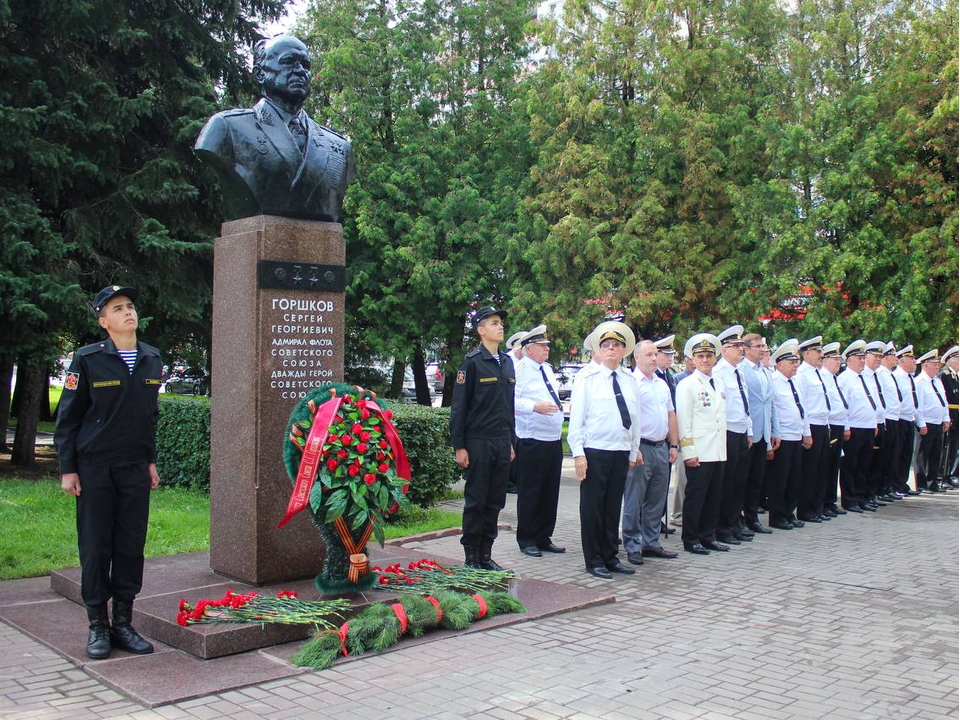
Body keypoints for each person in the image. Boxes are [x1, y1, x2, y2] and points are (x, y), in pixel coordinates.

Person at [54, 285, 163, 660]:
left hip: (134, 467)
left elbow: (149, 418)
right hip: (95, 466)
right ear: (104, 321)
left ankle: (123, 624)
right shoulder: (87, 359)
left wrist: (149, 462)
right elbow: (67, 418)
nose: (128, 312)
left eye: (130, 306)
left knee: (131, 545)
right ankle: (98, 626)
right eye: (118, 309)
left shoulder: (151, 359)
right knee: (97, 546)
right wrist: (68, 468)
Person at [195, 35, 356, 221]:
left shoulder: (339, 146)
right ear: (260, 73)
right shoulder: (227, 127)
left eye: (306, 65)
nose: (300, 71)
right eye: (288, 62)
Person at [568, 321, 640, 578]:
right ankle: (594, 559)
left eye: (616, 345)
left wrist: (633, 450)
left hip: (620, 451)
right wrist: (578, 452)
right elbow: (577, 418)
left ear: (624, 351)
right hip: (595, 451)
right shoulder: (586, 379)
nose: (611, 348)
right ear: (599, 350)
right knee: (593, 508)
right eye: (606, 345)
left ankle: (611, 556)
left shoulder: (629, 380)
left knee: (612, 507)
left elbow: (635, 419)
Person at [449, 306, 516, 570]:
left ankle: (486, 555)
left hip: (501, 442)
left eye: (501, 323)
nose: (500, 327)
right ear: (481, 330)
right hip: (478, 441)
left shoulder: (507, 362)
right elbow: (459, 407)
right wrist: (460, 445)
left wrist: (510, 441)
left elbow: (508, 407)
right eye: (494, 323)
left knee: (495, 500)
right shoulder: (472, 362)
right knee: (476, 500)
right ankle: (470, 557)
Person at [621, 340, 679, 565]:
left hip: (660, 448)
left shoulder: (661, 384)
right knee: (635, 500)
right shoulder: (631, 383)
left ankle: (651, 542)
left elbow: (670, 415)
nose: (654, 358)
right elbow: (628, 419)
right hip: (641, 448)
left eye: (656, 354)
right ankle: (633, 544)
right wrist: (633, 449)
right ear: (637, 358)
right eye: (649, 354)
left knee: (656, 499)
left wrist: (673, 445)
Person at [513, 325, 566, 557]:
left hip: (552, 439)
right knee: (531, 491)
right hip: (532, 439)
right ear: (529, 349)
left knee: (549, 490)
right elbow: (509, 401)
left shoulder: (547, 369)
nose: (546, 349)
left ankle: (544, 536)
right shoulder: (520, 369)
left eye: (546, 345)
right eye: (542, 346)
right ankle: (527, 538)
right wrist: (534, 407)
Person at [675, 333, 727, 555]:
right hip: (698, 450)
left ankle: (708, 535)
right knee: (696, 497)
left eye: (709, 356)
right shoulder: (687, 385)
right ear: (692, 359)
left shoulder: (720, 382)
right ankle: (691, 538)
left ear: (715, 358)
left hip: (717, 448)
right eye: (700, 356)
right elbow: (684, 421)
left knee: (714, 496)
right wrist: (689, 451)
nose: (705, 360)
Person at [713, 325, 754, 544]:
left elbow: (744, 404)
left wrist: (749, 431)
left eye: (741, 346)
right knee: (727, 483)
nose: (740, 350)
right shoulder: (719, 372)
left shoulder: (739, 372)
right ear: (724, 349)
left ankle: (735, 523)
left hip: (740, 432)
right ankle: (723, 527)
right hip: (727, 432)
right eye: (736, 346)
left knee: (739, 482)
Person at [767, 339, 812, 530]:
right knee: (780, 480)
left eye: (796, 362)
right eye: (791, 362)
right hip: (783, 437)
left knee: (794, 479)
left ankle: (789, 512)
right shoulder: (774, 382)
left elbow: (803, 409)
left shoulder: (795, 382)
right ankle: (778, 516)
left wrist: (807, 433)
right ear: (779, 364)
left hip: (796, 436)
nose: (796, 366)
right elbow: (772, 411)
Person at [837, 340, 882, 512]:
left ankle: (861, 497)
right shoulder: (845, 379)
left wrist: (875, 422)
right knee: (850, 465)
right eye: (859, 358)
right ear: (849, 360)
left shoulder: (866, 378)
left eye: (863, 358)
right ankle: (849, 499)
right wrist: (846, 427)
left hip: (868, 427)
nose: (863, 361)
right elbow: (844, 405)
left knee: (864, 464)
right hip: (854, 428)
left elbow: (871, 402)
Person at [741, 333, 778, 534]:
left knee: (756, 479)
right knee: (743, 479)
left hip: (763, 431)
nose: (762, 349)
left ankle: (752, 517)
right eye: (757, 346)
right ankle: (739, 518)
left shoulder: (765, 371)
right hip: (748, 433)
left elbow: (771, 404)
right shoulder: (742, 370)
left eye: (763, 346)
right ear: (746, 349)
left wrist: (774, 431)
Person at [795, 336, 831, 522]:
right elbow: (803, 406)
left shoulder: (818, 373)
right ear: (807, 353)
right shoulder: (801, 374)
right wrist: (806, 432)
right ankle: (806, 510)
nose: (821, 355)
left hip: (823, 425)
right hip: (812, 427)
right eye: (818, 352)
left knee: (821, 469)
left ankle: (818, 507)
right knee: (809, 471)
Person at [914, 349, 951, 492]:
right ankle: (922, 484)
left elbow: (944, 402)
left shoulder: (937, 381)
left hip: (938, 422)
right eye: (934, 364)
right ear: (925, 365)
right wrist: (921, 424)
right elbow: (919, 406)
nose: (937, 367)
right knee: (923, 455)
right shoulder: (919, 382)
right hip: (926, 423)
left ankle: (932, 482)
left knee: (936, 455)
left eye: (937, 365)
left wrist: (946, 419)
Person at [820, 342, 850, 515]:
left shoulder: (833, 378)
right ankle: (824, 502)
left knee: (833, 467)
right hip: (830, 425)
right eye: (835, 359)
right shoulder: (823, 377)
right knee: (827, 466)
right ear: (825, 361)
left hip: (838, 425)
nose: (838, 362)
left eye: (839, 359)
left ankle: (830, 501)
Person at [862, 341, 891, 507]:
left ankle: (872, 494)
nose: (878, 359)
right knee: (867, 463)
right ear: (866, 357)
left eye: (881, 356)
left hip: (879, 422)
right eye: (875, 356)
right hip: (865, 424)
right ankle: (865, 495)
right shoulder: (863, 375)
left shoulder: (877, 375)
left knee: (878, 461)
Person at [876, 342, 906, 500]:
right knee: (885, 455)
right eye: (894, 355)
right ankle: (881, 488)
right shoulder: (880, 373)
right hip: (887, 418)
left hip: (895, 418)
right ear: (886, 357)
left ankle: (887, 487)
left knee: (893, 455)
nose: (896, 358)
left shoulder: (889, 374)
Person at [893, 346, 924, 495]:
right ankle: (895, 484)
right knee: (897, 453)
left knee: (906, 454)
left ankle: (902, 483)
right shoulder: (897, 376)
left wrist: (919, 422)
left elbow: (914, 402)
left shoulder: (910, 378)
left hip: (909, 419)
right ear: (902, 361)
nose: (915, 363)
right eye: (912, 360)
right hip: (899, 419)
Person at [669, 353, 696, 526]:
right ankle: (677, 514)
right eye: (693, 359)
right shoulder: (679, 379)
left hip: (699, 434)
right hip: (682, 434)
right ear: (686, 361)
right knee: (682, 477)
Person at [504, 329, 527, 495]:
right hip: (510, 414)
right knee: (511, 449)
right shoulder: (507, 361)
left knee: (518, 451)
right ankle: (509, 482)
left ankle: (516, 480)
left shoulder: (522, 362)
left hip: (521, 417)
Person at [938, 346, 959, 488]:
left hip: (956, 416)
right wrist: (948, 417)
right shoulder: (944, 375)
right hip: (951, 415)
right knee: (946, 447)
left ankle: (950, 474)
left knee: (953, 448)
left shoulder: (955, 376)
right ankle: (943, 476)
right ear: (950, 361)